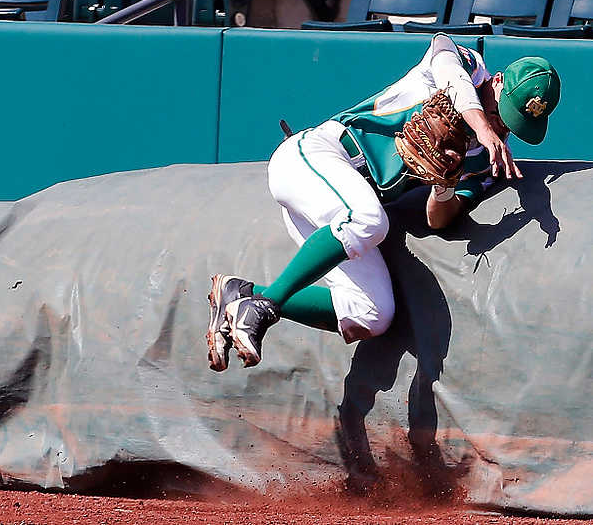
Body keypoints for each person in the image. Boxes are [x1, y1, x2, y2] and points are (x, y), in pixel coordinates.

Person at [207, 33, 562, 372]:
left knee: (371, 315)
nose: (502, 125)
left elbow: (440, 220)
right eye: (502, 112)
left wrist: (445, 185)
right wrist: (482, 127)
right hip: (318, 156)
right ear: (497, 81)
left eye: (513, 124)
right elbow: (448, 62)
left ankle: (243, 294)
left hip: (337, 211)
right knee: (370, 220)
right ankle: (264, 309)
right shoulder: (467, 66)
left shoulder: (488, 158)